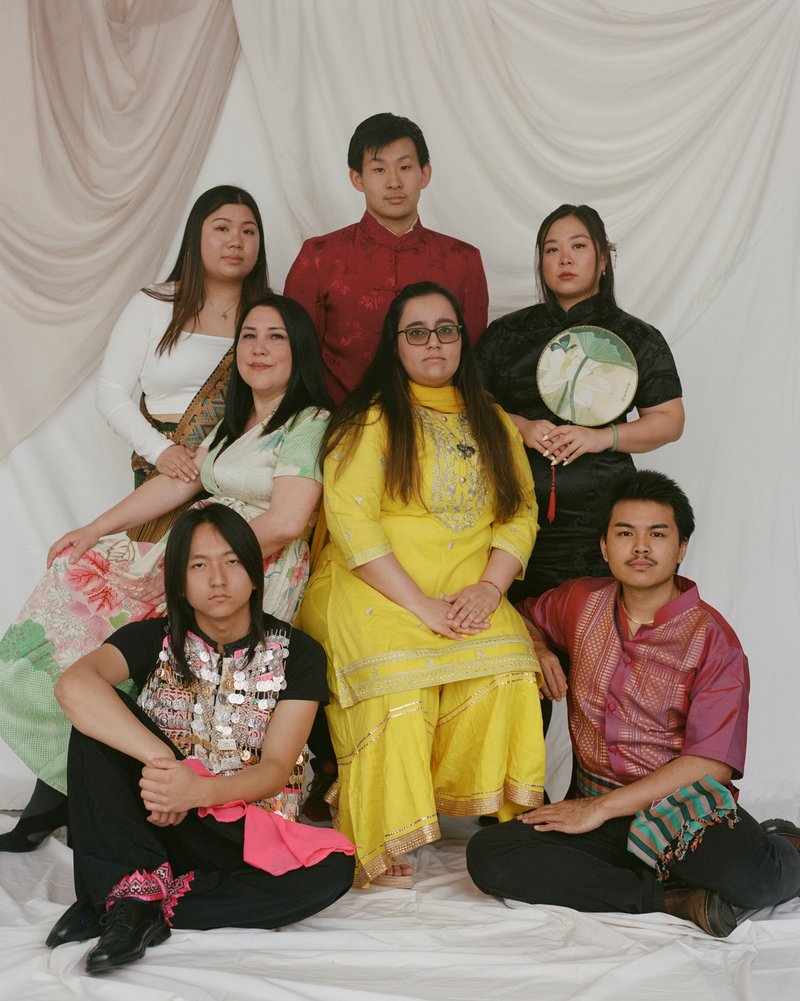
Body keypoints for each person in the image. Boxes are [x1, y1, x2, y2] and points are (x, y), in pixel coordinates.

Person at [0, 293, 333, 851]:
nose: (259, 348)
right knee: (78, 618)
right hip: (200, 560)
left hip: (252, 571)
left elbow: (286, 520)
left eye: (276, 336)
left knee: (189, 691)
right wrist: (94, 530)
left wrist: (198, 564)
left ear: (298, 350)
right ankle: (79, 787)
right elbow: (178, 482)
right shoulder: (235, 423)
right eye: (249, 335)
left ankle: (173, 811)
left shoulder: (308, 422)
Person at [466, 470, 800, 937]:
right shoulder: (579, 602)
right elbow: (516, 616)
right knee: (490, 856)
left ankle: (784, 845)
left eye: (657, 534)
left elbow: (711, 765)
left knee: (754, 878)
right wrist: (540, 650)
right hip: (595, 807)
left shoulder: (713, 640)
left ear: (681, 548)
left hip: (683, 811)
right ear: (605, 546)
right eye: (625, 533)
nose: (640, 547)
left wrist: (601, 809)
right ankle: (675, 900)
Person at [298, 281, 545, 888]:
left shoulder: (491, 419)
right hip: (375, 584)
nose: (433, 343)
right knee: (397, 684)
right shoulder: (374, 418)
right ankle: (381, 831)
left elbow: (520, 512)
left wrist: (490, 589)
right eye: (417, 332)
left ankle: (503, 816)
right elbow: (351, 520)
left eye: (446, 329)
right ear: (396, 344)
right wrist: (420, 606)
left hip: (468, 584)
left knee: (511, 668)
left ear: (463, 339)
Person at [45, 504, 354, 976]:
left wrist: (199, 792)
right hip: (155, 815)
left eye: (231, 562)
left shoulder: (300, 653)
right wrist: (165, 767)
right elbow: (74, 686)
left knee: (333, 871)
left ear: (255, 572)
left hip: (232, 832)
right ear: (180, 581)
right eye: (198, 565)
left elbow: (274, 769)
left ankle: (125, 899)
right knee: (95, 722)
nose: (217, 579)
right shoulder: (152, 639)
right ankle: (132, 898)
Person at [477, 204, 684, 602]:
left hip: (603, 513)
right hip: (510, 510)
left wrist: (600, 437)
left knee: (601, 634)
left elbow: (669, 420)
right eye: (552, 250)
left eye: (578, 246)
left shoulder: (636, 335)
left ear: (603, 259)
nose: (565, 259)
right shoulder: (506, 333)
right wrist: (521, 427)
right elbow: (467, 408)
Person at [96, 184, 270, 541]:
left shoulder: (272, 317)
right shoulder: (153, 304)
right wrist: (161, 451)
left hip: (242, 476)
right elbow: (110, 392)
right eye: (222, 228)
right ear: (195, 237)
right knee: (157, 587)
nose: (236, 240)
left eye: (248, 231)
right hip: (165, 472)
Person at [284, 112, 489, 403]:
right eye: (379, 170)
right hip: (337, 426)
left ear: (425, 174)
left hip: (437, 427)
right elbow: (297, 358)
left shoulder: (463, 260)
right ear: (357, 178)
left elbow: (471, 363)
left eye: (405, 167)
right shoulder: (319, 257)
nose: (394, 182)